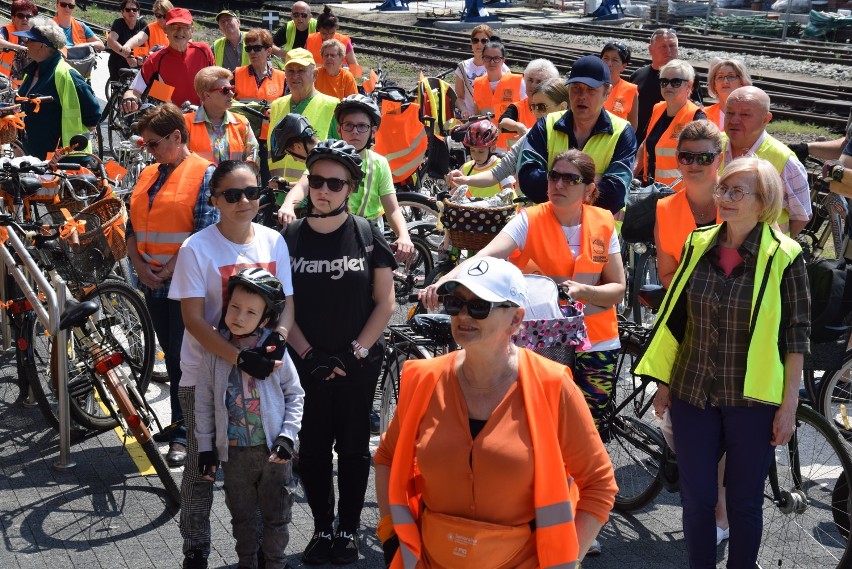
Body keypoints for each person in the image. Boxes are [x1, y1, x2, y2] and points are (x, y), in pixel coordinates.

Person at [379, 256, 617, 567]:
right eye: (455, 302)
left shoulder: (553, 385)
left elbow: (599, 484)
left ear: (516, 320)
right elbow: (386, 457)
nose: (464, 315)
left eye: (480, 305)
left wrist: (567, 560)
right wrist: (390, 535)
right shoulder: (423, 379)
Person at [636, 156, 810, 569]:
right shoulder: (699, 242)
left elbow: (796, 338)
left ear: (763, 200)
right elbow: (677, 318)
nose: (726, 198)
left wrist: (788, 408)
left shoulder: (785, 256)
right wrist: (664, 381)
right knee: (697, 499)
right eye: (723, 190)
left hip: (751, 400)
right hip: (692, 390)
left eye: (737, 192)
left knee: (745, 502)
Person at [169, 159, 295, 569]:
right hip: (205, 374)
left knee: (259, 465)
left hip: (264, 375)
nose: (244, 201)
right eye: (232, 194)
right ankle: (196, 546)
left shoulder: (274, 240)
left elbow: (287, 304)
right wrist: (241, 357)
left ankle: (258, 548)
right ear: (215, 200)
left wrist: (274, 345)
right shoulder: (196, 248)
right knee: (201, 465)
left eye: (252, 192)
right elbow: (192, 320)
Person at [282, 140, 396, 565]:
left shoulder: (367, 235)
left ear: (351, 188)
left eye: (334, 183)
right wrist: (309, 354)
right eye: (316, 181)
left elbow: (385, 303)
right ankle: (322, 526)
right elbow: (285, 304)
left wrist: (354, 353)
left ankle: (347, 528)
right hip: (306, 365)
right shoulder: (290, 238)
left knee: (351, 449)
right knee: (310, 450)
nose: (323, 190)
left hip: (357, 366)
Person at [126, 103, 218, 476]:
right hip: (154, 282)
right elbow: (132, 226)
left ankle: (188, 434)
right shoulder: (149, 173)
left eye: (153, 144)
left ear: (176, 137)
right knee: (173, 354)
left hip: (186, 286)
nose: (148, 151)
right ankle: (183, 423)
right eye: (145, 144)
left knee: (185, 360)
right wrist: (138, 266)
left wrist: (166, 270)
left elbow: (204, 231)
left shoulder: (204, 174)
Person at [195, 267, 303, 569]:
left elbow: (295, 395)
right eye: (234, 308)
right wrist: (206, 447)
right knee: (241, 517)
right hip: (234, 455)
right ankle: (246, 562)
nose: (239, 317)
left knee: (277, 515)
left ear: (265, 320)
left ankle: (276, 563)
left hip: (273, 454)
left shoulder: (274, 351)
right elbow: (203, 402)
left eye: (250, 312)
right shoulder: (215, 350)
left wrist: (287, 436)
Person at [277, 95, 415, 260]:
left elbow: (392, 209)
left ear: (373, 131)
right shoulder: (327, 158)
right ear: (340, 129)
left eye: (362, 126)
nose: (355, 131)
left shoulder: (379, 163)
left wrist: (404, 235)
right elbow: (303, 186)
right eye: (348, 126)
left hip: (366, 234)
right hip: (331, 228)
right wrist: (288, 206)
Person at [518, 54, 637, 212]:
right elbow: (528, 179)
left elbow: (615, 194)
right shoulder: (546, 125)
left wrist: (556, 182)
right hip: (547, 227)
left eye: (591, 90)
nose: (582, 96)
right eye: (576, 88)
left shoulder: (622, 132)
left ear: (607, 92)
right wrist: (589, 183)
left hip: (596, 232)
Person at [450, 78, 570, 192]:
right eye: (533, 107)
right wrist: (465, 179)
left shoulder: (581, 136)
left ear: (563, 107)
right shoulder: (531, 136)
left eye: (541, 107)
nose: (536, 113)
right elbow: (498, 173)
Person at [723, 86, 811, 236]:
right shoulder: (712, 145)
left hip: (763, 255)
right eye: (730, 113)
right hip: (715, 250)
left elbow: (802, 216)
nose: (734, 120)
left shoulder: (785, 161)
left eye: (745, 114)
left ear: (766, 119)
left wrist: (778, 250)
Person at [14, 17, 100, 159]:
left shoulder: (66, 75)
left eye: (30, 40)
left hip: (62, 160)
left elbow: (92, 117)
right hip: (34, 157)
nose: (26, 43)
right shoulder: (32, 71)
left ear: (43, 45)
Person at [655, 120, 722, 288]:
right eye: (687, 157)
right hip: (691, 307)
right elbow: (667, 274)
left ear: (719, 160)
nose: (694, 164)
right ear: (678, 159)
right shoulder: (665, 209)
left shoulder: (744, 198)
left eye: (705, 158)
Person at [267, 48, 339, 183]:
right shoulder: (277, 106)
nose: (295, 76)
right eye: (290, 71)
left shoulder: (332, 106)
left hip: (315, 196)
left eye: (301, 71)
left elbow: (341, 157)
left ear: (315, 74)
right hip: (279, 195)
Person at [122, 8, 214, 112]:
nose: (180, 32)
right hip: (174, 118)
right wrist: (129, 97)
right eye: (174, 27)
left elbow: (215, 81)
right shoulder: (155, 59)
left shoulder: (203, 50)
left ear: (192, 30)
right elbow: (134, 90)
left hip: (204, 115)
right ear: (165, 29)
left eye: (185, 27)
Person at [634, 59, 706, 187]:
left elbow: (703, 163)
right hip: (652, 190)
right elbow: (646, 143)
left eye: (675, 82)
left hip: (678, 193)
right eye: (664, 82)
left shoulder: (696, 117)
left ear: (689, 85)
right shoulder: (658, 109)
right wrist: (632, 173)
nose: (668, 86)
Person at [629, 28, 702, 143]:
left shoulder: (688, 76)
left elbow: (697, 109)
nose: (668, 51)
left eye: (672, 46)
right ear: (650, 50)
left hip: (676, 143)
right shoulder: (637, 77)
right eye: (663, 46)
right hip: (641, 144)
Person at [185, 66, 259, 172]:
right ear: (207, 95)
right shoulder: (185, 124)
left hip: (235, 187)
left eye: (232, 89)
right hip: (199, 187)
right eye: (225, 90)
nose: (232, 94)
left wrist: (241, 180)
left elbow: (253, 155)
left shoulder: (242, 122)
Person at [471, 38, 524, 150]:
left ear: (503, 60)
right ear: (483, 59)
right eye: (488, 58)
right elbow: (477, 115)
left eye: (496, 58)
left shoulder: (518, 81)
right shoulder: (478, 83)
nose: (491, 62)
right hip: (487, 146)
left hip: (513, 146)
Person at [498, 58, 558, 148]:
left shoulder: (554, 108)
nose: (533, 85)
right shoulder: (517, 107)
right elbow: (502, 123)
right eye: (530, 80)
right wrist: (518, 126)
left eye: (539, 81)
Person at [449, 119, 515, 198]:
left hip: (499, 209)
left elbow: (510, 196)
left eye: (481, 152)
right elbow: (455, 194)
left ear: (493, 149)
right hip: (472, 209)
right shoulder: (466, 168)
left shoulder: (500, 166)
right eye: (472, 150)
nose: (476, 156)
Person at [454, 24, 507, 119]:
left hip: (494, 117)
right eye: (475, 40)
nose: (479, 44)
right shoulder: (462, 67)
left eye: (484, 41)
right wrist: (464, 110)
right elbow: (460, 98)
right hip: (471, 118)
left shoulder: (500, 66)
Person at [105, 0, 146, 86]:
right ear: (122, 12)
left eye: (134, 10)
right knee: (122, 89)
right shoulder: (119, 23)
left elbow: (147, 46)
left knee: (149, 89)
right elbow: (111, 41)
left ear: (138, 12)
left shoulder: (142, 24)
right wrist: (128, 56)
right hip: (119, 62)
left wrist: (138, 56)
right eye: (128, 10)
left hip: (137, 62)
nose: (131, 12)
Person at [703, 58, 752, 129]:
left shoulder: (751, 114)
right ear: (714, 85)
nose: (725, 81)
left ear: (742, 82)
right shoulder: (703, 114)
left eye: (731, 76)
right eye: (720, 77)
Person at [600, 41, 638, 130]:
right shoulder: (591, 84)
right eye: (606, 58)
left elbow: (632, 127)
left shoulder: (631, 90)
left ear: (623, 66)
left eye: (615, 60)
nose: (609, 64)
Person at [0, 0, 37, 88]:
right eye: (21, 15)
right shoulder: (6, 30)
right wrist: (19, 47)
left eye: (29, 16)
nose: (25, 19)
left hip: (25, 86)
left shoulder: (37, 35)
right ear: (13, 18)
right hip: (3, 84)